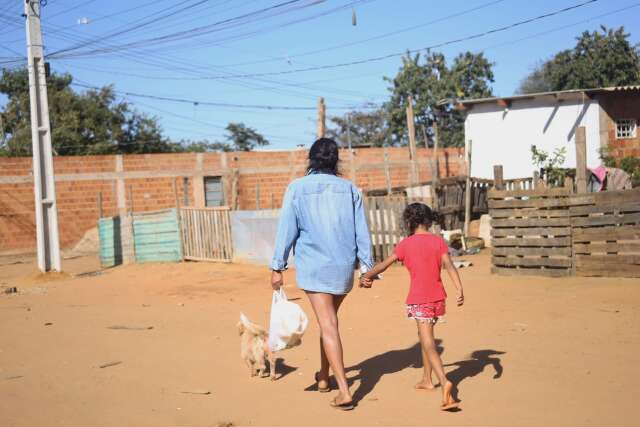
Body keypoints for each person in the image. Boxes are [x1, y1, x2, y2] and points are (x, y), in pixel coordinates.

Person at [270, 138, 373, 411]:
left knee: (328, 324)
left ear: (312, 159)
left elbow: (286, 229)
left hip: (315, 266)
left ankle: (344, 391)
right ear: (335, 160)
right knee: (328, 321)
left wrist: (277, 266)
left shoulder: (297, 188)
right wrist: (367, 267)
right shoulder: (350, 189)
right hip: (343, 268)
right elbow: (362, 231)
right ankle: (324, 377)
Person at [360, 202, 464, 411]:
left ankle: (445, 382)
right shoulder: (438, 242)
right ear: (428, 221)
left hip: (419, 300)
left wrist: (366, 276)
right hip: (438, 299)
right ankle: (427, 379)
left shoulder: (405, 245)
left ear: (409, 222)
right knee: (426, 338)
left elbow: (383, 265)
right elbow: (450, 266)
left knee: (427, 342)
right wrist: (459, 289)